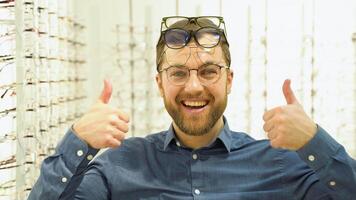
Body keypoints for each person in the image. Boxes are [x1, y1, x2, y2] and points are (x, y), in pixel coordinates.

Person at [28, 16, 356, 200]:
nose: (194, 86)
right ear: (160, 83)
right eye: (179, 73)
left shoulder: (282, 165)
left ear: (229, 80)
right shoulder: (118, 166)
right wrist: (77, 141)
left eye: (209, 71)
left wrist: (314, 141)